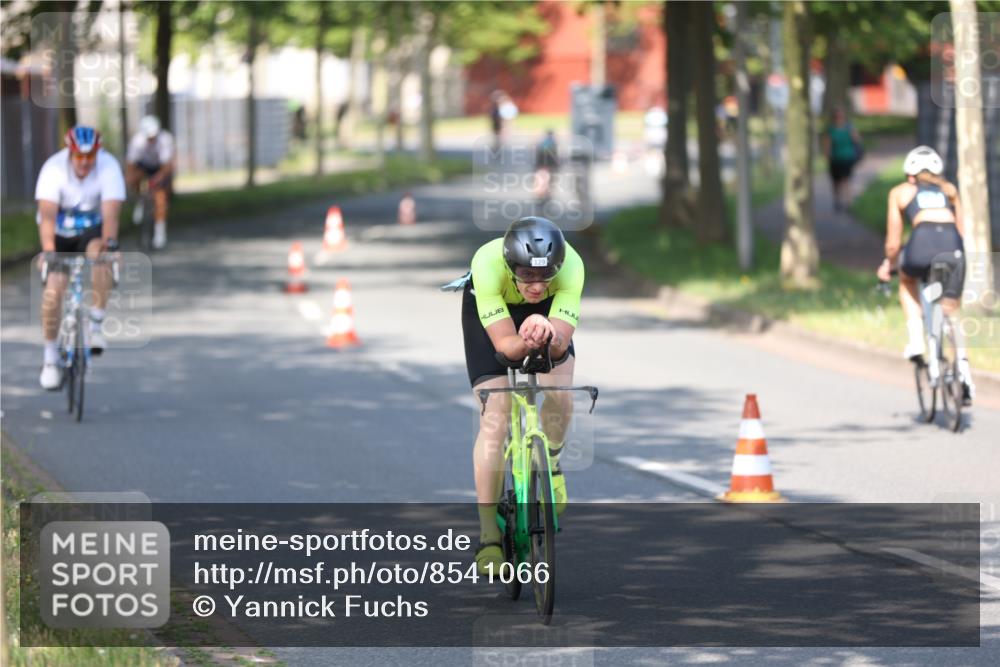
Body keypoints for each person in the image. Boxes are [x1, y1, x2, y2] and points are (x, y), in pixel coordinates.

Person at [461, 217, 584, 574]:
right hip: (493, 314)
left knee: (560, 394)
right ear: (509, 264)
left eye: (545, 275)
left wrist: (547, 332)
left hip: (547, 317)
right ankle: (489, 540)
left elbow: (558, 349)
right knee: (495, 417)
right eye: (526, 274)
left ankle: (553, 464)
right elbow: (505, 347)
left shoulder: (572, 266)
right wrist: (525, 337)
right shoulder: (486, 265)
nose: (536, 284)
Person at [877, 145, 974, 403]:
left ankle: (916, 339)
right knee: (951, 310)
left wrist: (888, 264)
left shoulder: (900, 192)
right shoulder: (950, 191)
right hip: (952, 248)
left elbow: (893, 243)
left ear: (910, 175)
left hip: (921, 247)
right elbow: (962, 231)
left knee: (907, 281)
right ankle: (963, 367)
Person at [36, 126, 125, 390]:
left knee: (104, 257)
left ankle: (96, 324)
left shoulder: (109, 167)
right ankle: (50, 357)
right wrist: (49, 250)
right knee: (54, 289)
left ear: (98, 153)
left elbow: (110, 214)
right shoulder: (53, 169)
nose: (85, 163)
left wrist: (110, 245)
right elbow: (48, 215)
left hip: (91, 232)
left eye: (90, 157)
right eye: (79, 157)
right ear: (70, 153)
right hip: (59, 233)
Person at [126, 115, 175, 249]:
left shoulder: (165, 139)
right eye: (149, 137)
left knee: (160, 197)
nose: (152, 139)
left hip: (159, 166)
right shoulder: (137, 142)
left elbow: (167, 167)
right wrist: (133, 180)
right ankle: (139, 200)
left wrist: (157, 179)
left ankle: (160, 232)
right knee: (133, 178)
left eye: (154, 136)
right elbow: (131, 165)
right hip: (143, 166)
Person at [822, 107, 862, 212]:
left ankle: (848, 202)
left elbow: (857, 140)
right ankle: (838, 201)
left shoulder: (849, 128)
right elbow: (827, 145)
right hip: (835, 159)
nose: (839, 118)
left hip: (847, 158)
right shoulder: (831, 130)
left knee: (846, 180)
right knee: (836, 182)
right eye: (837, 117)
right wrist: (827, 156)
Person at [533, 129, 560, 200]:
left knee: (542, 178)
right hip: (547, 163)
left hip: (542, 163)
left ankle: (541, 193)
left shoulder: (542, 142)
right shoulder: (552, 142)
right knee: (548, 179)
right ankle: (545, 193)